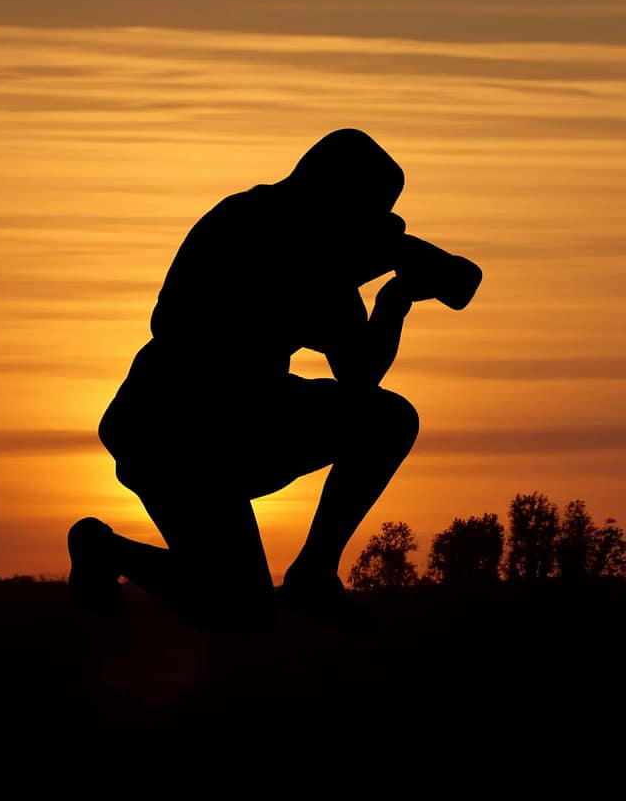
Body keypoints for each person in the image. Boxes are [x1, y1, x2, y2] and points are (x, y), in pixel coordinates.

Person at [67, 128, 480, 632]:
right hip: (178, 432)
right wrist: (394, 289)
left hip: (228, 417)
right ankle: (108, 551)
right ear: (341, 196)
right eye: (373, 210)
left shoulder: (266, 222)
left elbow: (358, 367)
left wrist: (391, 293)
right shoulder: (293, 244)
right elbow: (359, 371)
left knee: (386, 422)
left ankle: (309, 573)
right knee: (242, 609)